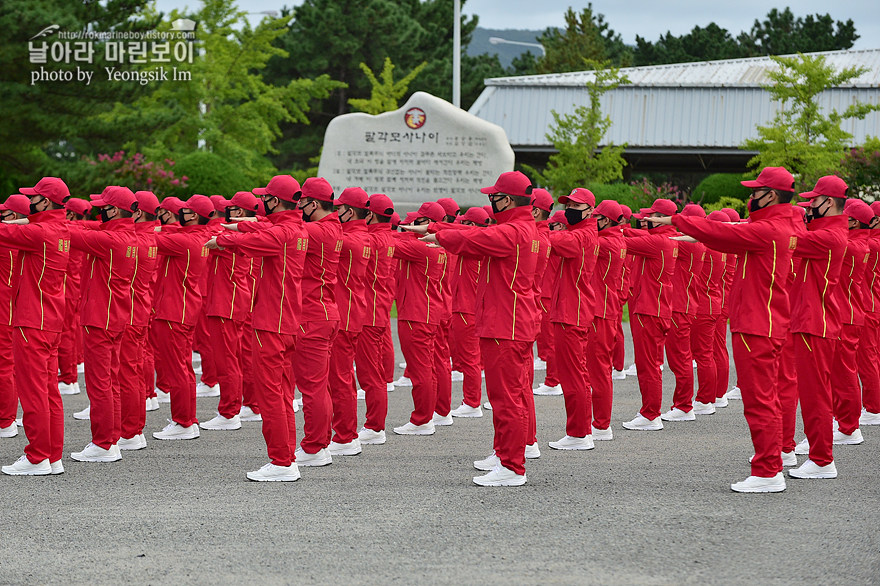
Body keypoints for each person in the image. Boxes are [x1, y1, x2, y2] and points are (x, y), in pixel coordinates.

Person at [662, 167, 798, 493]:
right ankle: (780, 455)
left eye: (756, 192)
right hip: (773, 321)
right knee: (774, 395)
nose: (750, 197)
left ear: (772, 195)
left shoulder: (767, 230)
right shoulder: (788, 224)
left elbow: (724, 235)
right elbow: (734, 230)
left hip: (757, 324)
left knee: (759, 399)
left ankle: (767, 471)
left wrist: (677, 220)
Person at [417, 171, 540, 487]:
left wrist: (439, 235)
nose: (491, 202)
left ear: (507, 200)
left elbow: (475, 238)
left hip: (507, 325)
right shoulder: (521, 228)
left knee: (507, 398)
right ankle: (504, 455)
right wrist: (435, 227)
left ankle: (513, 467)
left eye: (494, 197)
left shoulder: (514, 232)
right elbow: (476, 235)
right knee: (505, 396)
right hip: (507, 322)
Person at [209, 175, 308, 481]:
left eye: (266, 198)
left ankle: (280, 462)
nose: (262, 201)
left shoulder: (283, 234)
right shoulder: (296, 228)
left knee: (271, 395)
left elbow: (253, 241)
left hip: (272, 322)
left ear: (276, 202)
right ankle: (286, 458)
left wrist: (221, 239)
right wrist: (240, 224)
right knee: (280, 394)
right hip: (286, 320)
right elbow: (262, 228)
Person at [0, 177, 70, 476]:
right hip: (51, 320)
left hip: (32, 320)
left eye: (34, 198)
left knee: (33, 393)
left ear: (45, 202)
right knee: (49, 391)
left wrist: (16, 223)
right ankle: (52, 457)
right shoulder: (60, 229)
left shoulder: (39, 232)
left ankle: (37, 456)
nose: (30, 202)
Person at [787, 176, 848, 480]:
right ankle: (819, 454)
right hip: (813, 321)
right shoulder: (827, 232)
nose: (808, 206)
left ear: (829, 202)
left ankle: (822, 459)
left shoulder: (830, 236)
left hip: (816, 323)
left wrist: (789, 217)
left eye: (813, 201)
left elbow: (788, 239)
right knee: (814, 392)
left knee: (815, 395)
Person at [151, 194, 214, 441]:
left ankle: (184, 421)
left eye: (186, 211)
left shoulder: (185, 240)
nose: (181, 214)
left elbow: (147, 237)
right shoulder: (195, 237)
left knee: (177, 368)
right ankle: (187, 419)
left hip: (174, 310)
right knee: (183, 368)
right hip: (183, 308)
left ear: (194, 216)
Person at [199, 192, 259, 431]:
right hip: (236, 299)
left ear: (241, 213)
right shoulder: (247, 234)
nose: (226, 212)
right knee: (241, 356)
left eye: (232, 209)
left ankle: (229, 412)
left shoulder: (234, 236)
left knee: (227, 360)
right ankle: (251, 405)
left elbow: (202, 238)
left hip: (227, 302)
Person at [545, 188, 599, 451]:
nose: (570, 210)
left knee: (574, 374)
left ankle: (579, 433)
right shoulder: (580, 233)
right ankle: (580, 431)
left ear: (590, 210)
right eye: (568, 204)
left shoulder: (584, 235)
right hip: (570, 309)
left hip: (572, 311)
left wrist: (530, 229)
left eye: (576, 206)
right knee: (574, 373)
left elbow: (554, 243)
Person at [620, 199, 679, 431]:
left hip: (651, 308)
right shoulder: (667, 238)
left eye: (650, 216)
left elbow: (624, 242)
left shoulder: (658, 241)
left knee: (649, 365)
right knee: (649, 364)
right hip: (655, 306)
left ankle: (650, 414)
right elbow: (634, 234)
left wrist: (612, 228)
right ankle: (649, 411)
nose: (644, 220)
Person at [392, 201, 448, 436]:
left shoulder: (423, 248)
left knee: (421, 369)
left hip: (417, 313)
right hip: (425, 312)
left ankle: (422, 419)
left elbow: (387, 244)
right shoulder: (436, 246)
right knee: (428, 367)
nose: (411, 224)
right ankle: (431, 413)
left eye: (417, 221)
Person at [327, 187, 372, 456]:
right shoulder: (360, 236)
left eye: (337, 209)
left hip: (343, 314)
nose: (334, 213)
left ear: (349, 211)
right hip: (352, 311)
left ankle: (345, 436)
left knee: (340, 379)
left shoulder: (348, 239)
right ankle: (346, 434)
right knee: (343, 377)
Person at [828, 199, 872, 445]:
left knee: (844, 374)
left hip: (846, 315)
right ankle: (844, 423)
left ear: (854, 222)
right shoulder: (858, 243)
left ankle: (848, 428)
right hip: (848, 312)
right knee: (842, 373)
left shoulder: (851, 245)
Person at [355, 193, 397, 443]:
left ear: (370, 214)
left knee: (370, 374)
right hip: (378, 309)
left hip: (368, 311)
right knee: (374, 372)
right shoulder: (387, 238)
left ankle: (374, 427)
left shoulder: (371, 239)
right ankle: (375, 425)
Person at [586, 199, 626, 440]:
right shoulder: (615, 239)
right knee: (599, 370)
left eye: (596, 217)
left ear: (607, 220)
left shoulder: (606, 243)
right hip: (604, 309)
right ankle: (600, 423)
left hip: (601, 311)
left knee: (599, 371)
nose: (592, 221)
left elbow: (583, 239)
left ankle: (601, 425)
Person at [662, 204, 705, 421]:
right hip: (682, 304)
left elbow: (664, 240)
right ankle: (684, 403)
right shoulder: (693, 242)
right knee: (680, 357)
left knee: (680, 358)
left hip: (681, 305)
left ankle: (684, 405)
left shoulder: (690, 244)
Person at [448, 207, 489, 418]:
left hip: (466, 308)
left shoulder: (473, 246)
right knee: (472, 359)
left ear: (472, 227)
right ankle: (472, 401)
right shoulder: (476, 244)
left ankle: (472, 402)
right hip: (468, 307)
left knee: (470, 359)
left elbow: (453, 234)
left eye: (465, 223)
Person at [690, 211, 729, 413]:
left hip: (704, 304)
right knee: (715, 351)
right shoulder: (721, 247)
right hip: (715, 301)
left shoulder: (706, 248)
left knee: (704, 354)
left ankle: (706, 399)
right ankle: (716, 395)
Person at [0, 195, 30, 440]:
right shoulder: (23, 237)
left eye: (6, 213)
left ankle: (5, 420)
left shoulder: (10, 238)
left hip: (6, 308)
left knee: (4, 366)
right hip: (14, 307)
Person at [58, 197, 91, 396]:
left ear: (70, 214)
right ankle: (70, 374)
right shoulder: (85, 228)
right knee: (70, 330)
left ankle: (68, 377)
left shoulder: (70, 229)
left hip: (67, 285)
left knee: (66, 332)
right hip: (75, 284)